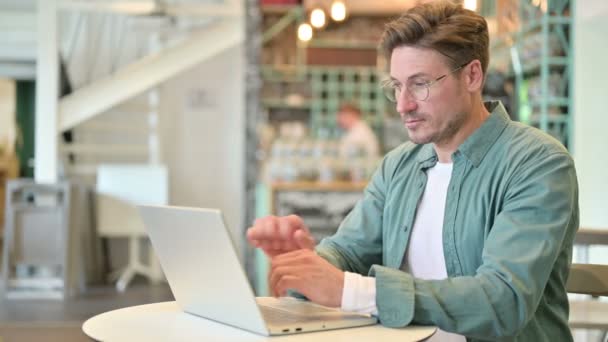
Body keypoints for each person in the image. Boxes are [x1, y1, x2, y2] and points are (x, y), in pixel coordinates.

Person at [247, 2, 579, 341]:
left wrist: (354, 291)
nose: (403, 104)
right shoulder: (399, 166)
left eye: (420, 84)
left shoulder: (538, 164)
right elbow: (348, 252)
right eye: (396, 86)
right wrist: (307, 264)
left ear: (472, 75)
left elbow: (503, 299)